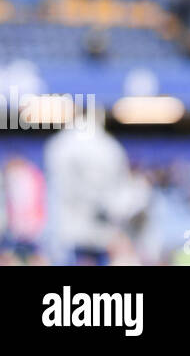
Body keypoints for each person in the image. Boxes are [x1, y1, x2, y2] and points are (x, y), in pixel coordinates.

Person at [43, 104, 145, 265]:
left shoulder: (59, 145)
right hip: (99, 231)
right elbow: (120, 196)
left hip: (69, 231)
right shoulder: (110, 147)